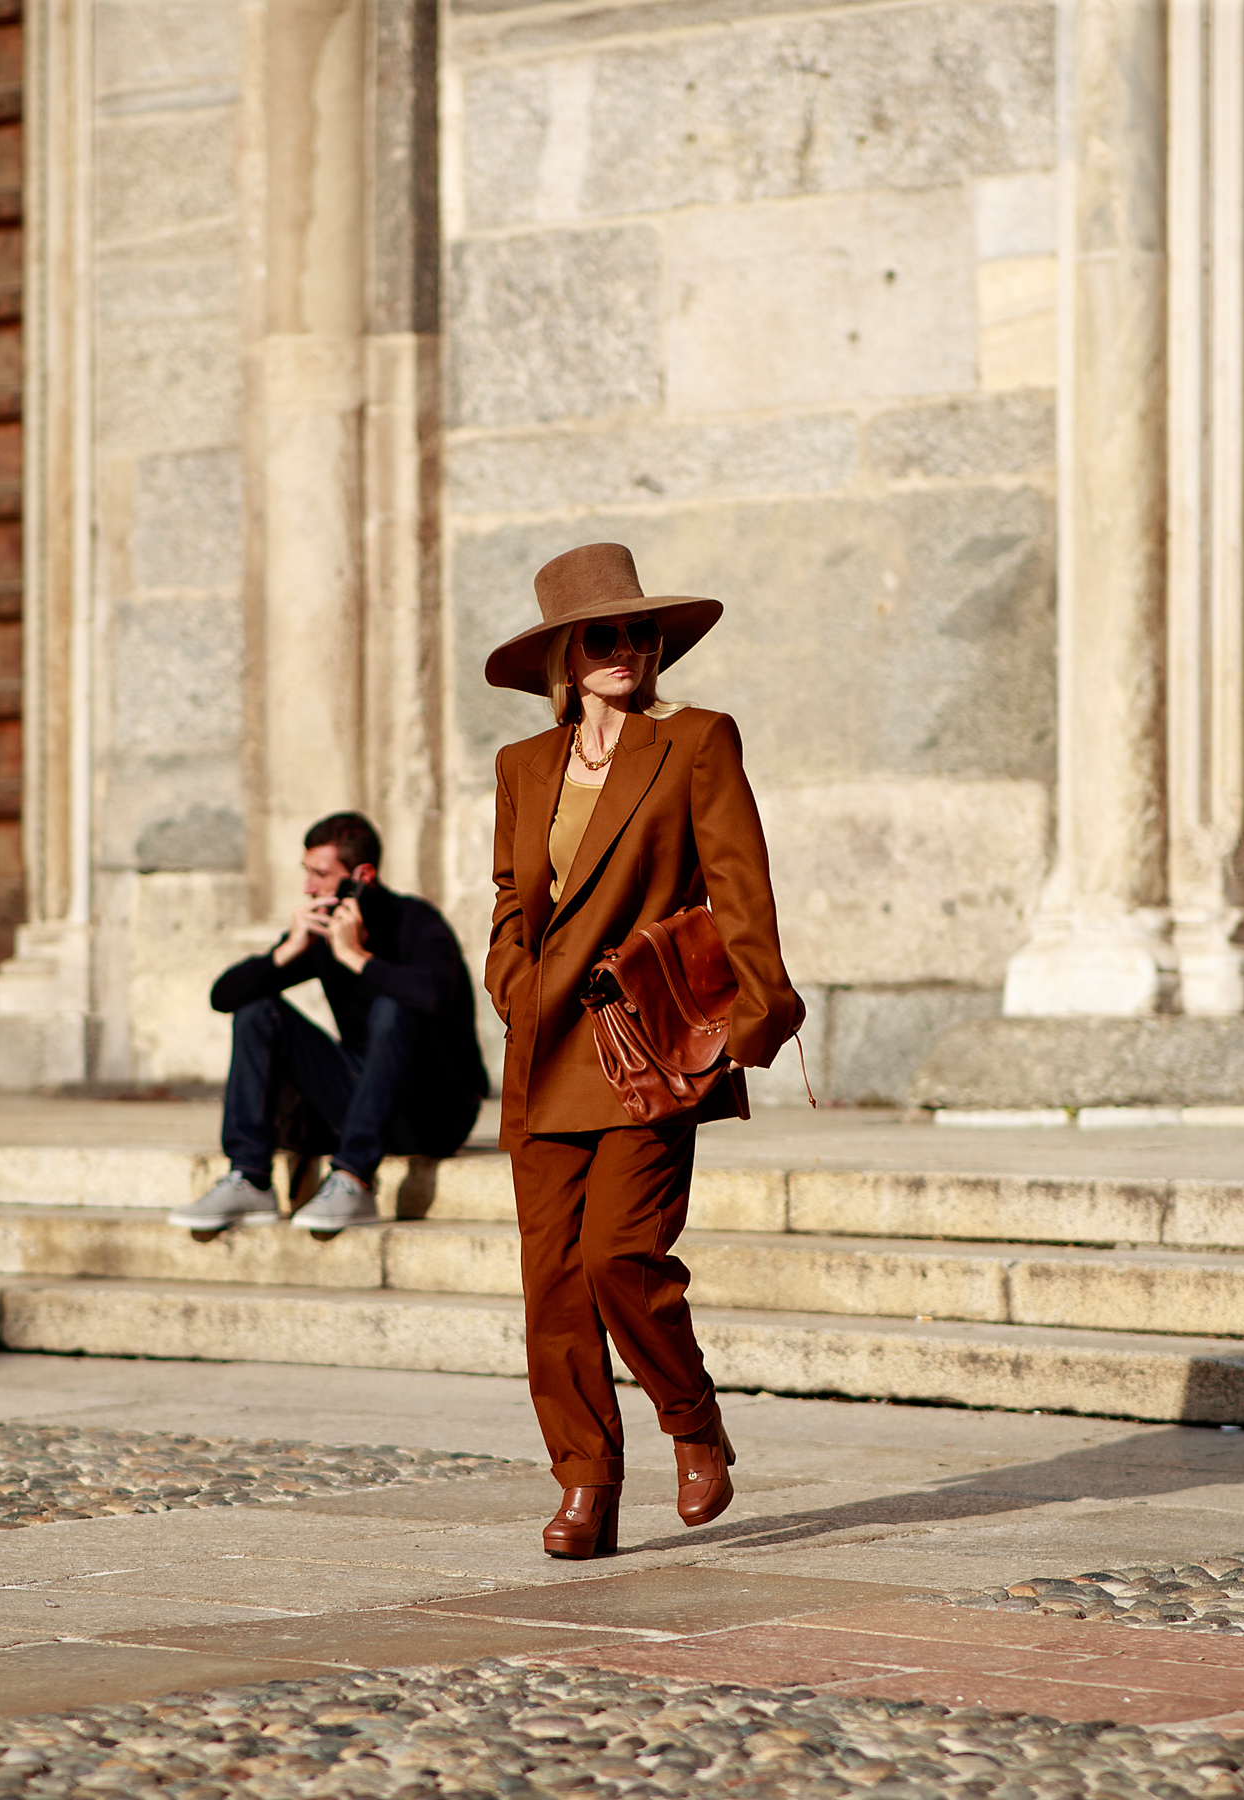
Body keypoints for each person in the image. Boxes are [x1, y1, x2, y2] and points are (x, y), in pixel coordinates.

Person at [481, 543, 804, 1559]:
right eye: (602, 637)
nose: (626, 649)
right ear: (564, 659)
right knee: (554, 1290)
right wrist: (510, 983)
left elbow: (740, 882)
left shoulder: (698, 740)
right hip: (544, 1047)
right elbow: (510, 897)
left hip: (646, 1045)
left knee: (622, 1255)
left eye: (639, 633)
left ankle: (692, 1419)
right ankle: (586, 1483)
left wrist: (757, 1012)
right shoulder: (523, 765)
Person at [173, 812, 487, 1234]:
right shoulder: (324, 934)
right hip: (363, 1102)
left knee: (393, 1008)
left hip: (432, 1113)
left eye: (320, 874)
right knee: (257, 1010)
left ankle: (355, 1178)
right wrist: (286, 951)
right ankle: (250, 1177)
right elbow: (223, 997)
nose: (308, 888)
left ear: (362, 875)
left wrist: (357, 957)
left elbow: (432, 997)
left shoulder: (416, 921)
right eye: (306, 873)